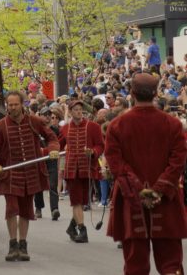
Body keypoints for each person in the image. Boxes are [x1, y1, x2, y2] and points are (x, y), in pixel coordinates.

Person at [105, 72, 187, 275]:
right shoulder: (173, 124)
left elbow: (117, 165)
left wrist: (141, 190)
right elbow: (177, 163)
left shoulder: (116, 126)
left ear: (131, 93)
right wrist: (159, 189)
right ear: (156, 93)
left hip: (131, 202)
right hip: (166, 200)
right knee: (171, 264)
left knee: (135, 266)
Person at [0, 90, 60, 261]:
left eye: (15, 104)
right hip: (9, 175)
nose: (12, 108)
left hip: (31, 173)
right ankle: (13, 245)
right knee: (12, 209)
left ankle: (23, 245)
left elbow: (52, 138)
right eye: (10, 105)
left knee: (26, 211)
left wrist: (53, 150)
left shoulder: (35, 121)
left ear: (22, 104)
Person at [59, 100, 104, 243]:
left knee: (83, 200)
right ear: (70, 112)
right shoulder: (65, 128)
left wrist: (93, 152)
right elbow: (57, 144)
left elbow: (100, 145)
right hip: (71, 169)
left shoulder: (93, 127)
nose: (79, 112)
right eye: (76, 109)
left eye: (80, 109)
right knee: (76, 201)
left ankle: (72, 227)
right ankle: (82, 230)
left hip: (87, 168)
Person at [34, 106, 61, 221]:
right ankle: (38, 208)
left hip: (51, 159)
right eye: (45, 114)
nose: (47, 117)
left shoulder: (55, 130)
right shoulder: (35, 129)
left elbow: (58, 143)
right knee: (38, 185)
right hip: (38, 160)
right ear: (39, 116)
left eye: (49, 115)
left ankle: (54, 209)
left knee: (53, 184)